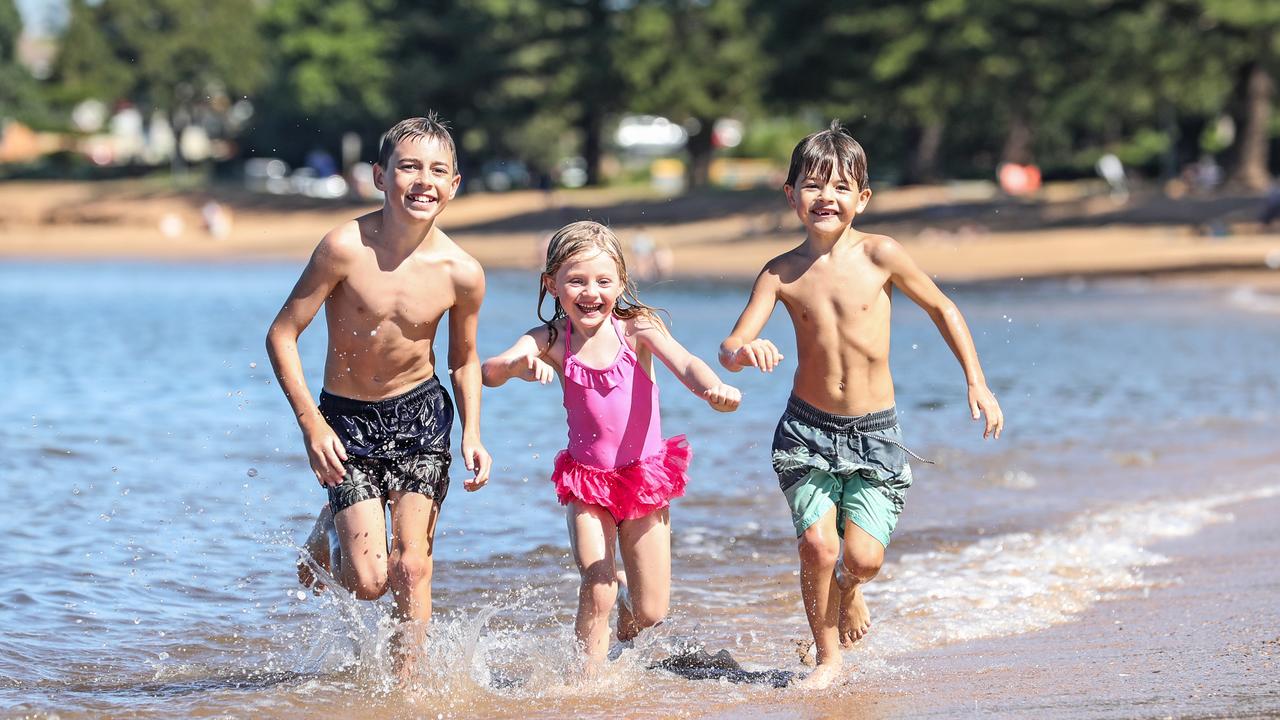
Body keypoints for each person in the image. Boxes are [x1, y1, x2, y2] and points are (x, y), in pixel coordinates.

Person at [719, 121, 1003, 689]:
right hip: (805, 430)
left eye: (841, 186)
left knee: (864, 559)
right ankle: (827, 659)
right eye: (813, 185)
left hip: (876, 433)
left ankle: (848, 592)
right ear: (791, 195)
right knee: (817, 545)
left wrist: (977, 380)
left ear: (862, 198)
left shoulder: (882, 255)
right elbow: (729, 348)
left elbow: (943, 309)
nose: (827, 196)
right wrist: (746, 352)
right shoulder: (780, 273)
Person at [265, 114, 492, 677]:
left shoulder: (462, 271)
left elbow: (464, 359)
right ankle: (327, 530)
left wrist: (473, 434)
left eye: (438, 170)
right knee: (368, 583)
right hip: (347, 422)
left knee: (411, 567)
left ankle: (404, 693)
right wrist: (312, 424)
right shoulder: (344, 247)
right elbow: (281, 334)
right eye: (409, 167)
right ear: (379, 175)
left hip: (421, 417)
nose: (423, 180)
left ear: (455, 184)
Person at [481, 220, 741, 673]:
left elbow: (685, 363)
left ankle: (626, 605)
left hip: (643, 480)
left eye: (603, 281)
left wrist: (713, 388)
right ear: (552, 284)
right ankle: (588, 685)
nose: (591, 291)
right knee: (596, 582)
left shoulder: (637, 329)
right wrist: (517, 365)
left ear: (621, 282)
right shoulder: (552, 339)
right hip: (587, 483)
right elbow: (491, 369)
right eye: (576, 280)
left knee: (651, 612)